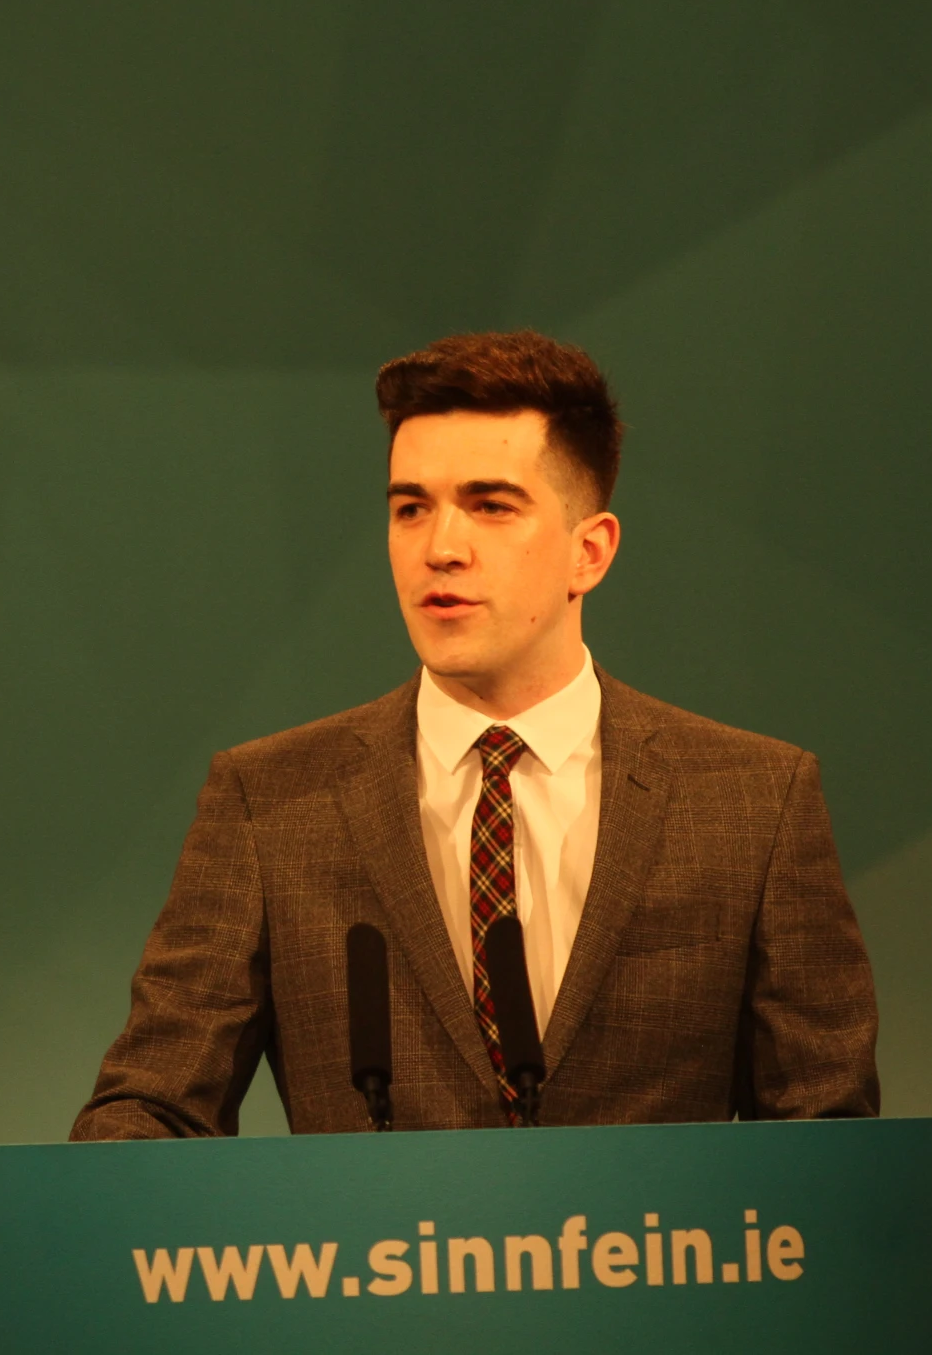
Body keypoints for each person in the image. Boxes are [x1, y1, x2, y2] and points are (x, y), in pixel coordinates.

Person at [71, 330, 878, 1138]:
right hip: (376, 1265)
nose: (440, 548)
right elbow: (154, 1100)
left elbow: (832, 1145)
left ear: (589, 552)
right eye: (410, 508)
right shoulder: (271, 801)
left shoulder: (752, 801)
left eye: (491, 506)